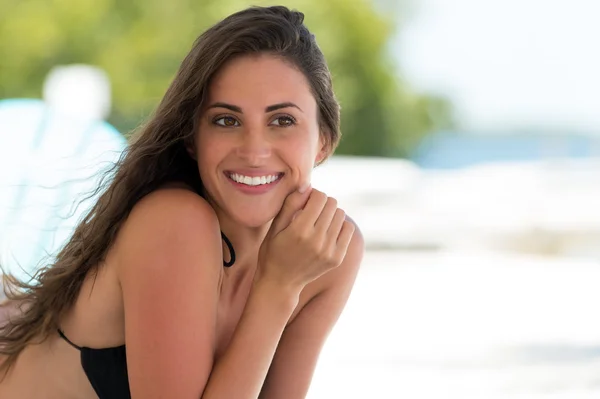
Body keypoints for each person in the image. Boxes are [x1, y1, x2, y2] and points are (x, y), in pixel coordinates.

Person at [0, 5, 364, 399]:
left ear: (324, 140)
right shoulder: (174, 222)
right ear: (192, 138)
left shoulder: (328, 254)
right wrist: (278, 288)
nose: (255, 151)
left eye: (282, 121)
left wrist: (286, 284)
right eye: (227, 120)